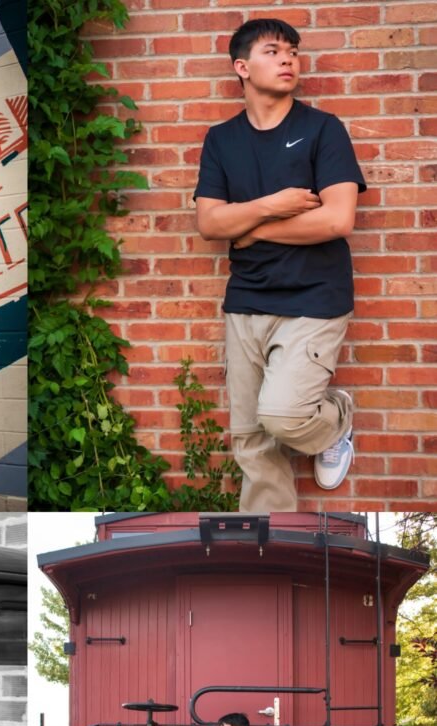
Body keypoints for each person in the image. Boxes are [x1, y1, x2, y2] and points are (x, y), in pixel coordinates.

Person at [194, 18, 366, 512]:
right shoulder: (221, 140)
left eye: (293, 50)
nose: (289, 58)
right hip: (246, 300)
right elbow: (209, 222)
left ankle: (336, 419)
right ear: (242, 67)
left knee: (283, 417)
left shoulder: (322, 130)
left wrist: (248, 227)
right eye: (274, 51)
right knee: (250, 438)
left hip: (314, 298)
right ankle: (266, 548)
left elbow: (336, 220)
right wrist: (273, 205)